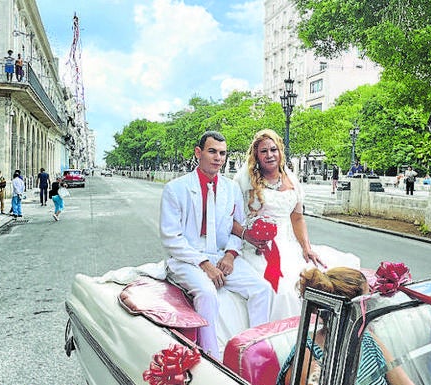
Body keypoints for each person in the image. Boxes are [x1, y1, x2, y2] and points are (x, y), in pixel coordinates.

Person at [159, 131, 272, 359]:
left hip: (220, 255)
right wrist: (203, 263)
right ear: (198, 153)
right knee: (207, 293)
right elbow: (171, 237)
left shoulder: (231, 189)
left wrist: (230, 254)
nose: (218, 158)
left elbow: (235, 227)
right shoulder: (175, 189)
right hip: (186, 259)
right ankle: (212, 358)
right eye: (212, 151)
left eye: (222, 153)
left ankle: (255, 353)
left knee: (262, 289)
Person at [234, 129, 324, 322]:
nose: (269, 155)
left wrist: (306, 247)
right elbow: (230, 218)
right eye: (263, 151)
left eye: (273, 149)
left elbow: (298, 218)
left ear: (280, 151)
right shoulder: (245, 181)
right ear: (256, 156)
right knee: (282, 291)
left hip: (288, 246)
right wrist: (247, 235)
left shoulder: (292, 180)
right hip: (259, 249)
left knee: (314, 283)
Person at [277, 267, 414, 385]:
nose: (370, 306)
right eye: (365, 301)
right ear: (347, 311)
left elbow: (404, 382)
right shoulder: (308, 358)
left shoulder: (367, 340)